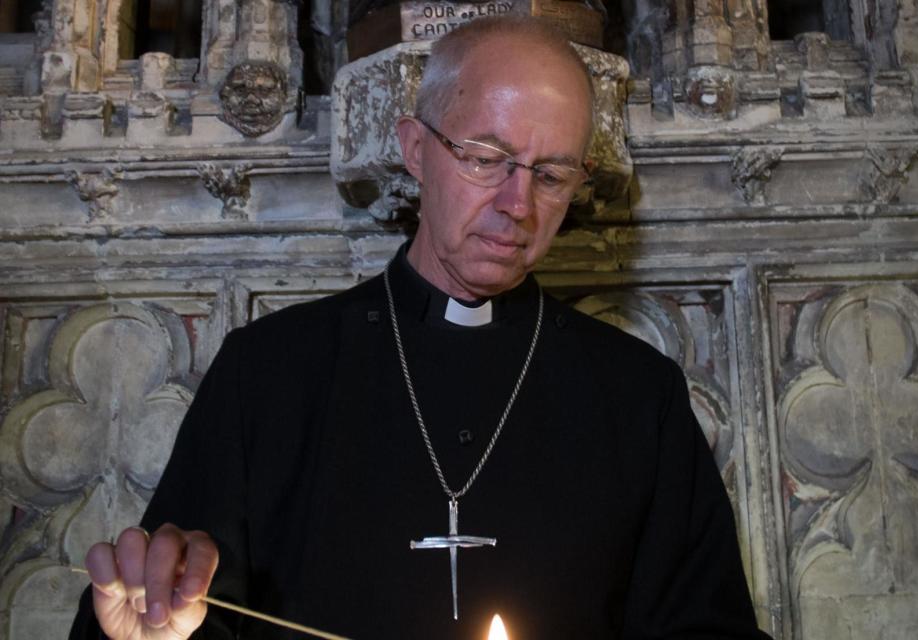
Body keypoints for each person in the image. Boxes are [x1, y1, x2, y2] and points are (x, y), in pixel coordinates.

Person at [71, 16, 770, 640]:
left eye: (552, 175)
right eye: (486, 159)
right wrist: (154, 631)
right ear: (415, 149)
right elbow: (173, 609)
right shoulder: (270, 372)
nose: (518, 205)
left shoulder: (637, 395)